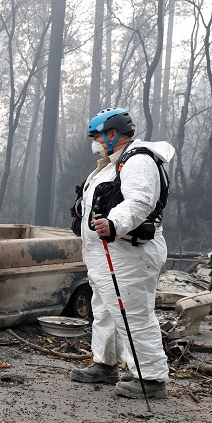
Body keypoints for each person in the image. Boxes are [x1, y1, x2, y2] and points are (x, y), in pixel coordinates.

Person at [70, 107, 175, 399]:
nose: (94, 142)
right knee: (103, 309)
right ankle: (105, 364)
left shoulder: (137, 160)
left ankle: (151, 380)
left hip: (129, 252)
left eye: (97, 136)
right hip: (106, 253)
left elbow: (140, 201)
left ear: (112, 134)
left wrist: (114, 223)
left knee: (133, 313)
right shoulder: (110, 164)